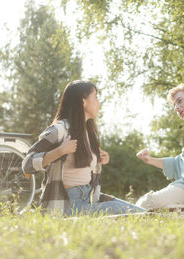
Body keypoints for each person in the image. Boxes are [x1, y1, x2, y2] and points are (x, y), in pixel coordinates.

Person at [22, 80, 144, 216]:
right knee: (127, 212)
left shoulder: (88, 132)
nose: (99, 103)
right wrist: (60, 151)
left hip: (89, 197)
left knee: (139, 212)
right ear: (83, 101)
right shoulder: (60, 129)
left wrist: (99, 159)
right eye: (96, 97)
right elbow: (27, 164)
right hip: (67, 204)